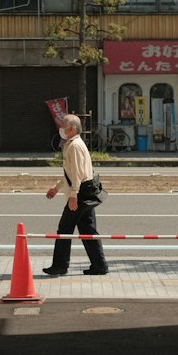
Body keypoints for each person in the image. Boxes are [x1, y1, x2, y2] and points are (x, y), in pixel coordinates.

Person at [42, 114, 109, 276]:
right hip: (85, 192)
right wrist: (57, 188)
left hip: (80, 194)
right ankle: (100, 266)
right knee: (88, 231)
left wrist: (73, 195)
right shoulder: (73, 144)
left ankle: (60, 265)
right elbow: (70, 173)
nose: (61, 129)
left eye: (64, 125)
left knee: (64, 229)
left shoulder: (74, 146)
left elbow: (77, 174)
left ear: (72, 129)